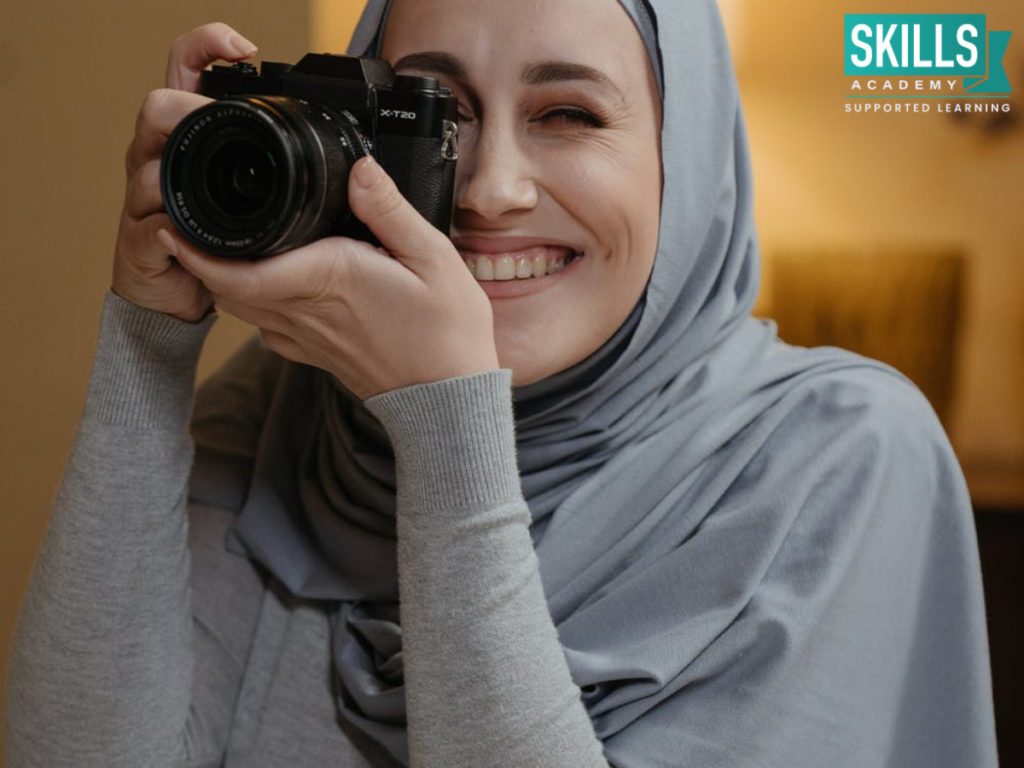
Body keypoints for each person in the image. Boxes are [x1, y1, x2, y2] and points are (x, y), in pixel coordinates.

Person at [4, 0, 999, 766]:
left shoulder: (843, 455)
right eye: (434, 113)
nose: (489, 189)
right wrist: (151, 334)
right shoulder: (288, 406)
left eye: (568, 113)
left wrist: (446, 433)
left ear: (681, 160)